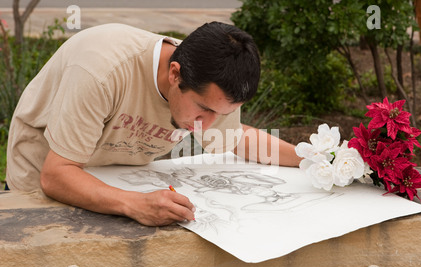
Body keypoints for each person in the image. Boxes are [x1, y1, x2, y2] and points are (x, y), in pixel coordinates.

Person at [6, 22, 301, 226]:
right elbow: (56, 175)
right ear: (175, 74)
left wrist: (316, 158)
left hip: (113, 181)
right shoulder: (102, 71)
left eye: (220, 115)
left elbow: (236, 138)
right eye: (203, 109)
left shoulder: (212, 83)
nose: (206, 126)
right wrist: (134, 204)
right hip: (41, 183)